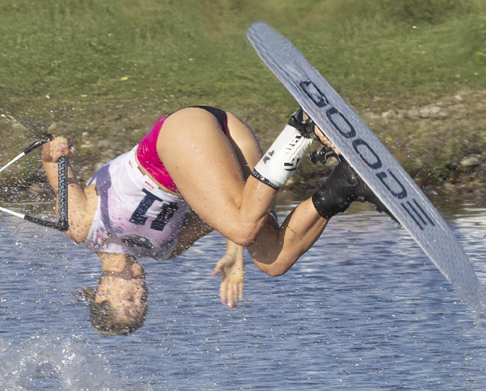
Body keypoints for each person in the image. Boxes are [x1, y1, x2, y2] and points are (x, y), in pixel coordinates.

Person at [40, 106, 381, 335]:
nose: (140, 291)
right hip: (227, 143)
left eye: (128, 299)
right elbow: (225, 215)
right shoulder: (165, 249)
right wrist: (235, 254)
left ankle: (302, 127)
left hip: (179, 134)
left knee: (244, 230)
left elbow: (57, 170)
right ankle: (346, 184)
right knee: (272, 259)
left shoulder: (84, 230)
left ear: (101, 292)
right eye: (143, 300)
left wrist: (54, 151)